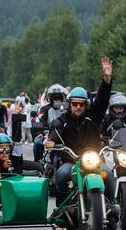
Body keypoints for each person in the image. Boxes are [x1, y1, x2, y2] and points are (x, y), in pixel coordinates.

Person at [44, 58, 115, 204]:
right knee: (61, 174)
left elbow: (102, 100)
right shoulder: (63, 120)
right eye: (75, 104)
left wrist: (106, 80)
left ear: (86, 104)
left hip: (94, 161)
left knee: (107, 173)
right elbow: (55, 129)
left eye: (81, 104)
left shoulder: (93, 116)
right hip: (72, 161)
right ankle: (63, 210)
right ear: (70, 104)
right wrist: (51, 141)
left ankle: (111, 205)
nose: (78, 107)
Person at [34, 84, 67, 161]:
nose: (57, 99)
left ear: (63, 97)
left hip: (65, 134)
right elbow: (39, 121)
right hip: (48, 133)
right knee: (37, 142)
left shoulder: (67, 109)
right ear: (51, 98)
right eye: (54, 97)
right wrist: (41, 132)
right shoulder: (45, 109)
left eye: (59, 96)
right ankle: (38, 161)